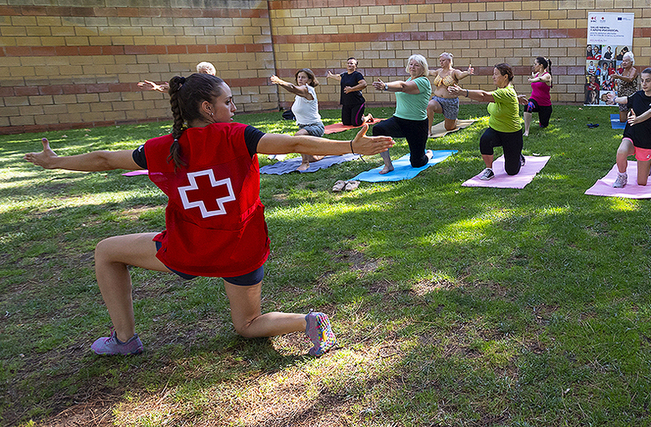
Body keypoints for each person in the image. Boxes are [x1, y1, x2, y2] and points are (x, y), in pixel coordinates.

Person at [24, 73, 394, 356]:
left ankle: (124, 339)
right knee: (248, 325)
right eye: (228, 102)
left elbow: (104, 159)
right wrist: (349, 145)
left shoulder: (162, 148)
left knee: (107, 250)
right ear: (206, 107)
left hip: (190, 249)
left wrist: (57, 162)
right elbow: (295, 142)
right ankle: (309, 322)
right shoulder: (238, 135)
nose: (233, 109)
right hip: (241, 249)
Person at [449, 63, 524, 180]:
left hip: (511, 133)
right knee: (485, 140)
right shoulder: (502, 91)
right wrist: (517, 99)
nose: (493, 77)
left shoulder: (507, 92)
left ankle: (517, 155)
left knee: (512, 171)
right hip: (496, 129)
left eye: (496, 74)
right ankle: (489, 169)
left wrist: (463, 92)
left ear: (505, 77)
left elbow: (484, 96)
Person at [601, 68, 651, 188]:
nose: (644, 84)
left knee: (641, 182)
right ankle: (622, 176)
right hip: (631, 134)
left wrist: (637, 119)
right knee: (621, 151)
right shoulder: (638, 95)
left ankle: (648, 164)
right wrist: (614, 99)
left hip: (647, 140)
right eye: (642, 81)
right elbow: (626, 100)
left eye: (648, 81)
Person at [371, 55, 433, 174]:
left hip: (417, 125)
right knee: (378, 129)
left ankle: (429, 154)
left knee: (417, 162)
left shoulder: (423, 81)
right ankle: (388, 165)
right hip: (399, 121)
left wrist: (385, 86)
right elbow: (403, 85)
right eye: (411, 64)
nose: (412, 67)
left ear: (423, 68)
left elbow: (403, 87)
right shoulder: (409, 80)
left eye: (416, 65)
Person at [269, 69, 326, 172]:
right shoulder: (299, 94)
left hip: (315, 126)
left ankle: (305, 163)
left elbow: (292, 88)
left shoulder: (308, 90)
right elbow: (294, 89)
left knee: (298, 136)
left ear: (309, 80)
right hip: (303, 126)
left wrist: (280, 81)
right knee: (313, 158)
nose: (300, 79)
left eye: (303, 77)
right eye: (299, 77)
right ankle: (326, 152)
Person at [426, 52, 475, 135]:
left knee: (449, 128)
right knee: (429, 105)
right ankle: (428, 130)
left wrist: (467, 72)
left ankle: (454, 121)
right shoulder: (438, 71)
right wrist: (422, 69)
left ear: (449, 61)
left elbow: (461, 75)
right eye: (440, 61)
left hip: (450, 102)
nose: (441, 62)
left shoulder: (454, 72)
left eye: (443, 60)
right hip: (437, 100)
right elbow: (431, 72)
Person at [325, 57, 369, 127]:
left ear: (355, 66)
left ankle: (368, 117)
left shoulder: (357, 75)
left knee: (356, 123)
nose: (349, 65)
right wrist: (331, 76)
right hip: (346, 103)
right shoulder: (344, 75)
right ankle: (358, 115)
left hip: (357, 102)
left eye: (351, 63)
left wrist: (351, 89)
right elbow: (339, 78)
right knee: (346, 123)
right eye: (348, 63)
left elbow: (364, 84)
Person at [139, 62, 216, 92]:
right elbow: (177, 90)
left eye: (205, 72)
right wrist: (157, 87)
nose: (202, 75)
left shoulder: (220, 87)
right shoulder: (195, 85)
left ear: (213, 74)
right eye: (200, 73)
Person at [523, 56, 553, 136]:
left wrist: (532, 80)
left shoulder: (547, 75)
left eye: (535, 64)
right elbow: (537, 78)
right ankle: (526, 131)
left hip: (545, 105)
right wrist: (533, 77)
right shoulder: (536, 74)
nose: (534, 65)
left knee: (543, 125)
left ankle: (542, 121)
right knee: (528, 105)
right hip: (534, 100)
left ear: (541, 65)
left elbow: (541, 79)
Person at [609, 52, 640, 123]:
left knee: (633, 120)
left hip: (631, 97)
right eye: (623, 61)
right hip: (622, 97)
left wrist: (618, 77)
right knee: (622, 120)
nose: (624, 63)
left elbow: (630, 79)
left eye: (626, 61)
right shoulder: (624, 70)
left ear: (631, 62)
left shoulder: (633, 70)